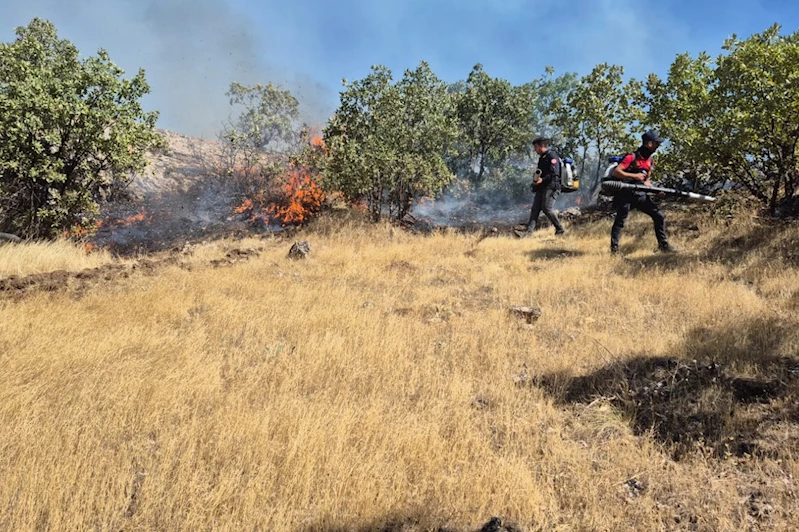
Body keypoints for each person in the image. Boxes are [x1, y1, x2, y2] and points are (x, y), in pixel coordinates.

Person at [609, 129, 676, 254]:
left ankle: (663, 245)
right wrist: (634, 176)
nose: (658, 146)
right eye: (657, 143)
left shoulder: (650, 161)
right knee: (620, 220)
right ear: (649, 144)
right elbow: (616, 172)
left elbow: (646, 181)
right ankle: (614, 250)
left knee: (658, 215)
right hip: (625, 194)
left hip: (640, 195)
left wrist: (657, 192)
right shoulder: (631, 157)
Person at [514, 137, 566, 238]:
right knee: (535, 209)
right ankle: (528, 234)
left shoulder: (552, 156)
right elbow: (540, 173)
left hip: (552, 186)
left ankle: (560, 229)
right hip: (542, 187)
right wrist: (535, 182)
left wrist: (542, 180)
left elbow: (554, 174)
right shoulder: (542, 158)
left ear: (542, 146)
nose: (535, 150)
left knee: (547, 208)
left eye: (536, 147)